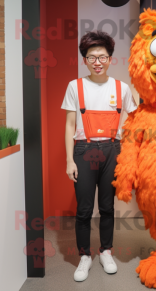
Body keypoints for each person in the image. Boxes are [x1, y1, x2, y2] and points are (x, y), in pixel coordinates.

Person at [61, 30, 138, 282]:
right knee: (83, 210)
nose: (97, 61)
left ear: (110, 59)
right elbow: (70, 125)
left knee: (107, 207)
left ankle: (106, 251)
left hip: (112, 151)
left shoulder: (121, 88)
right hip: (83, 151)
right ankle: (85, 256)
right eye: (92, 57)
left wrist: (129, 155)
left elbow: (134, 121)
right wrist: (69, 159)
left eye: (102, 56)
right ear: (84, 60)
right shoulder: (75, 86)